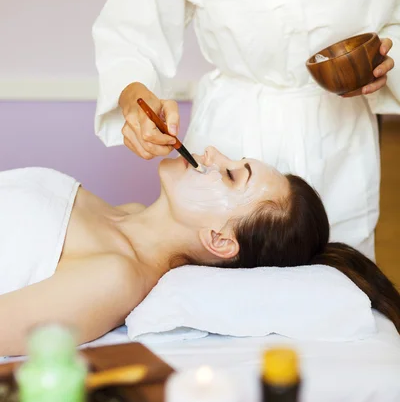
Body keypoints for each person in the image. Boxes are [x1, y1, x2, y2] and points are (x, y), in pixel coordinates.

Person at [92, 0, 399, 261]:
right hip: (232, 124)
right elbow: (130, 33)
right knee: (211, 291)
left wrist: (382, 61)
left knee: (339, 286)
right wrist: (133, 95)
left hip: (338, 141)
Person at [0, 148, 399, 357]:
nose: (210, 152)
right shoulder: (128, 215)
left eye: (229, 174)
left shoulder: (115, 278)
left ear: (221, 241)